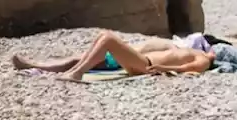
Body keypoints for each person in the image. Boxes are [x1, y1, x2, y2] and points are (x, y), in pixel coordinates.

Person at [12, 30, 215, 82]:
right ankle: (72, 70)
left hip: (147, 66)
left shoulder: (204, 59)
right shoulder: (192, 49)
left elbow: (190, 69)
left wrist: (165, 69)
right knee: (103, 37)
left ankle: (77, 73)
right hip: (143, 61)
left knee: (108, 38)